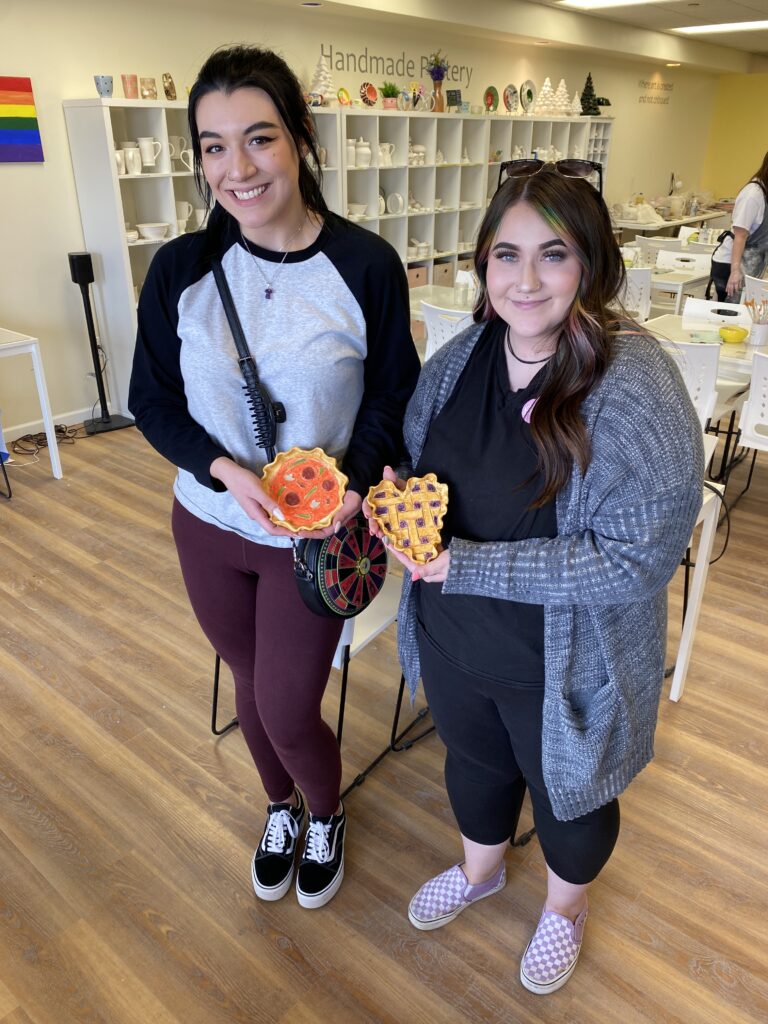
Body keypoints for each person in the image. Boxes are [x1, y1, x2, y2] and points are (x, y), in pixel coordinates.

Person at [367, 161, 703, 993]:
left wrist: (466, 562)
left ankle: (563, 908)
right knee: (474, 768)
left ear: (591, 263)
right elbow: (415, 461)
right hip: (453, 639)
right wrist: (393, 496)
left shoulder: (637, 385)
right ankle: (481, 873)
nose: (525, 280)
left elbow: (636, 557)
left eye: (552, 255)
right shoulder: (456, 360)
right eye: (505, 255)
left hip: (564, 663)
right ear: (481, 264)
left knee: (572, 803)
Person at [128, 45, 420, 910]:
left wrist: (358, 483)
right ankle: (279, 806)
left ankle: (323, 812)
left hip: (317, 542)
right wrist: (221, 469)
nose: (238, 168)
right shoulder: (181, 269)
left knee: (289, 707)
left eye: (259, 139)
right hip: (210, 527)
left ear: (299, 140)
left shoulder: (364, 266)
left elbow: (392, 393)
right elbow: (149, 398)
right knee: (250, 687)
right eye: (214, 146)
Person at [709, 150, 768, 301]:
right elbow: (740, 236)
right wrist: (735, 271)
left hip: (752, 264)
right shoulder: (753, 194)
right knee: (729, 315)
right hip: (731, 264)